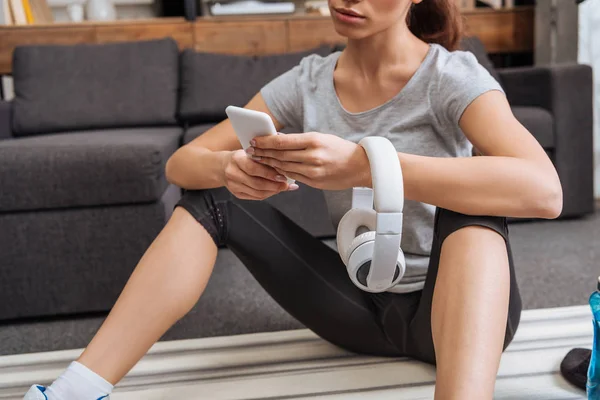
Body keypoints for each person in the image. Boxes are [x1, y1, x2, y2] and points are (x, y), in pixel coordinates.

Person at [24, 0, 563, 399]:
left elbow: (544, 191)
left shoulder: (450, 77)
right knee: (209, 197)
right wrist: (227, 166)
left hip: (459, 315)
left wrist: (364, 166)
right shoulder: (308, 82)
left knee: (475, 203)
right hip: (361, 308)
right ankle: (76, 389)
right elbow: (180, 164)